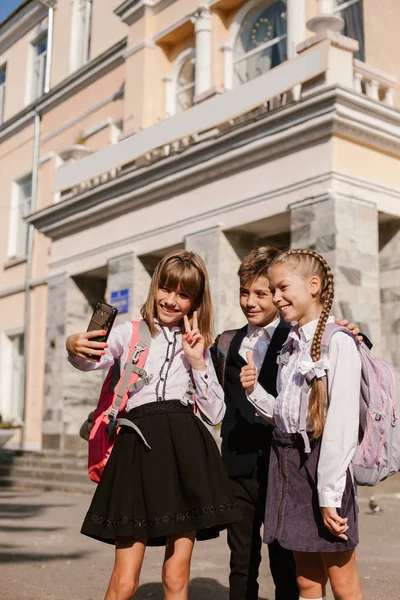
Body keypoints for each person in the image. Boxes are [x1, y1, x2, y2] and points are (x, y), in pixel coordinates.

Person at [66, 250, 242, 600]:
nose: (172, 300)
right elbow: (87, 361)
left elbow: (216, 413)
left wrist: (197, 361)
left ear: (195, 301)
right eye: (166, 288)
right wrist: (74, 345)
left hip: (186, 452)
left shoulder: (200, 346)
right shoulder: (129, 333)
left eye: (183, 294)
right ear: (155, 287)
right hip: (137, 450)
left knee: (177, 576)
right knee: (125, 580)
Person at [240, 248, 364, 600]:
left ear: (313, 285)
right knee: (306, 581)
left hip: (325, 469)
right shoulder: (292, 346)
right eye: (273, 290)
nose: (276, 298)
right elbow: (285, 415)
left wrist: (329, 495)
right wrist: (254, 391)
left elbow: (340, 425)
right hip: (288, 468)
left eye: (282, 288)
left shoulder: (338, 342)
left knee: (343, 581)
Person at [211, 246, 299, 600]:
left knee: (284, 558)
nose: (250, 302)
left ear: (278, 295)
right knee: (241, 559)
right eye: (244, 293)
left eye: (260, 293)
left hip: (282, 467)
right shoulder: (225, 343)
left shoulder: (295, 338)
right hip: (237, 467)